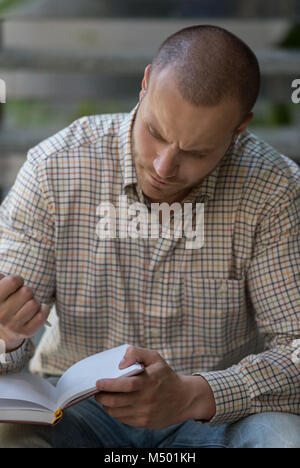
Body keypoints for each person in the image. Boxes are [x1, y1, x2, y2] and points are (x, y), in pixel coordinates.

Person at [0, 25, 299, 448]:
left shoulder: (274, 190)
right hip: (74, 410)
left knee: (283, 438)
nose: (164, 167)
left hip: (212, 415)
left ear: (238, 130)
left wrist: (196, 394)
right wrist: (6, 336)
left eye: (196, 152)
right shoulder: (55, 169)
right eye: (155, 132)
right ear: (144, 84)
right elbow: (5, 342)